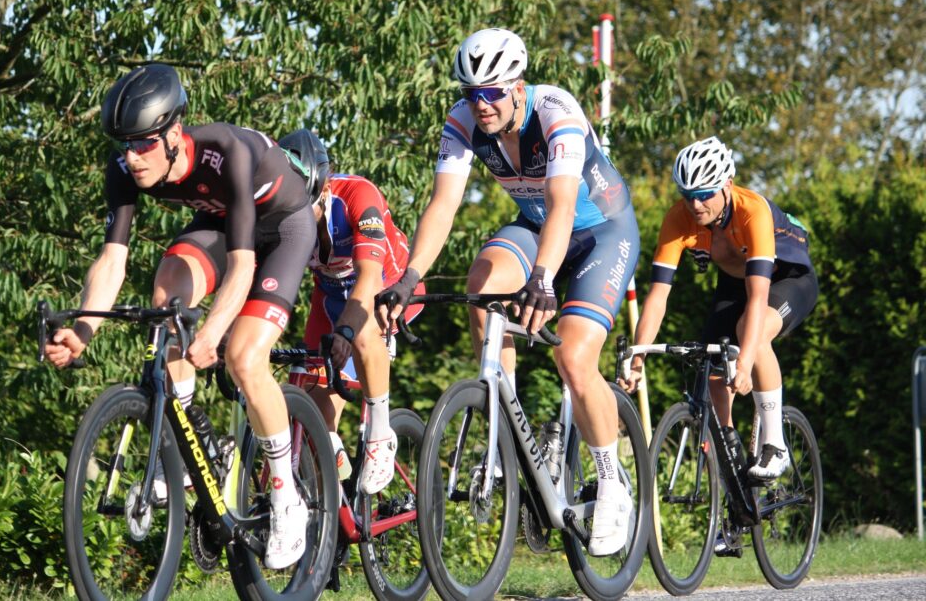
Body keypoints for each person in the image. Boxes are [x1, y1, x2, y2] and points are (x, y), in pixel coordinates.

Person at [375, 28, 641, 556]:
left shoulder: (556, 112)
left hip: (602, 232)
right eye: (472, 93)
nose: (482, 104)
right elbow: (443, 206)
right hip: (538, 227)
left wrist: (542, 279)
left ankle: (613, 484)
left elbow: (563, 204)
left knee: (573, 354)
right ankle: (505, 430)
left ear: (518, 86)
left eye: (492, 92)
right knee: (483, 285)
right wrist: (407, 276)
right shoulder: (462, 122)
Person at [43, 63, 318, 569]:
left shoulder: (226, 152)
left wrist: (212, 332)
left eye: (143, 143)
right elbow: (112, 261)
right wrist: (83, 330)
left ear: (174, 134)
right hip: (220, 224)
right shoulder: (125, 168)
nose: (131, 156)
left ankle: (286, 495)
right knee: (167, 290)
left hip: (283, 228)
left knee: (243, 358)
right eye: (124, 144)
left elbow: (243, 266)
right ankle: (193, 445)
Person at [621, 136, 818, 485]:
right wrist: (638, 359)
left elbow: (757, 297)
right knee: (711, 369)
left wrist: (745, 363)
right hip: (733, 282)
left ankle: (775, 444)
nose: (695, 205)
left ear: (727, 184)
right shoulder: (678, 218)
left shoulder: (752, 211)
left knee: (752, 333)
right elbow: (658, 296)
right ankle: (730, 465)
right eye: (687, 195)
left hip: (786, 279)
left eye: (704, 194)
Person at [281, 132, 425, 494]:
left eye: (306, 213)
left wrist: (346, 331)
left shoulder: (358, 197)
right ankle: (339, 491)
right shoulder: (278, 212)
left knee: (361, 333)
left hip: (385, 286)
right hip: (330, 293)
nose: (298, 225)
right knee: (315, 412)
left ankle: (380, 435)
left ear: (324, 190)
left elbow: (369, 279)